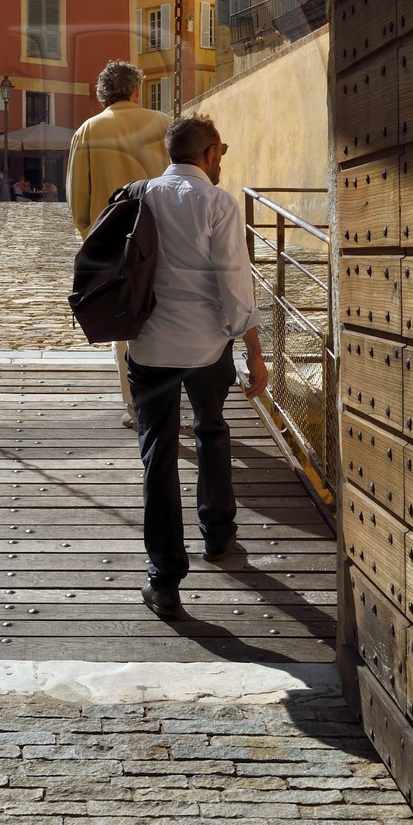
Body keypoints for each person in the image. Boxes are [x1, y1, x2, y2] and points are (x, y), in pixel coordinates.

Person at [126, 114, 269, 618]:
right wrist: (253, 350)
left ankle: (164, 579)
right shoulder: (218, 203)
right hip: (208, 346)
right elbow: (235, 285)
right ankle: (218, 534)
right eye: (220, 152)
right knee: (211, 431)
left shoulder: (138, 195)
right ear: (208, 155)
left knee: (158, 457)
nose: (221, 161)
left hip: (150, 346)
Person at [66, 60, 170, 428]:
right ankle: (168, 404)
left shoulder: (88, 130)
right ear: (136, 90)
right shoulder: (162, 124)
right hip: (162, 237)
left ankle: (135, 408)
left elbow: (78, 197)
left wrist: (90, 237)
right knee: (166, 315)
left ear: (102, 94)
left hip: (113, 244)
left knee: (123, 320)